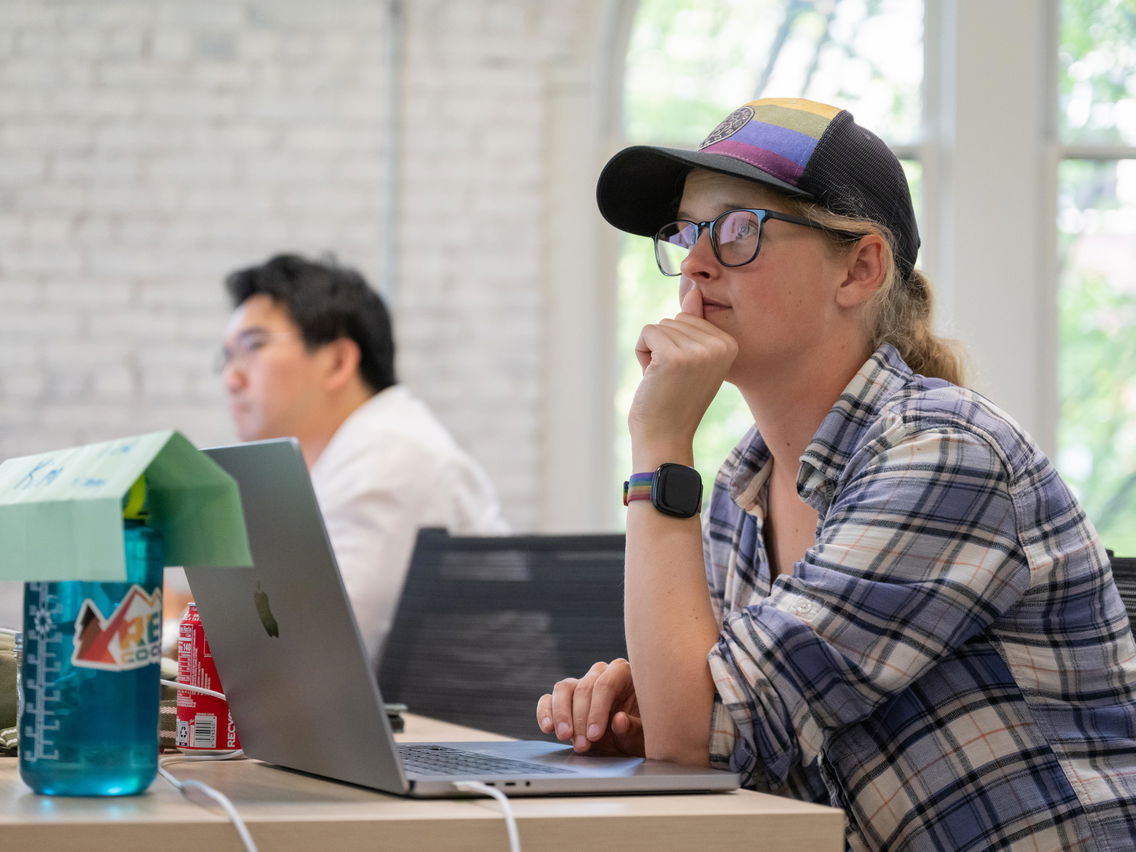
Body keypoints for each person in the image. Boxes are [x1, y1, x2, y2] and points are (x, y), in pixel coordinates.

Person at [536, 98, 1136, 850]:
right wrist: (649, 709)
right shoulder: (740, 492)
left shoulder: (944, 453)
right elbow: (730, 746)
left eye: (738, 229)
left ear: (860, 267)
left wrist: (658, 441)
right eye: (686, 232)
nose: (693, 261)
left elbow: (704, 733)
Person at [217, 253, 508, 665]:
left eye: (253, 347)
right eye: (226, 358)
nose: (231, 378)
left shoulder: (390, 454)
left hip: (463, 727)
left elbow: (315, 656)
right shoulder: (350, 455)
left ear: (337, 361)